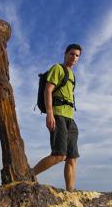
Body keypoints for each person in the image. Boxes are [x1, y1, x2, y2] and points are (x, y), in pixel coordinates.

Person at [32, 44, 82, 192]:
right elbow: (48, 90)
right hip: (58, 114)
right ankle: (29, 175)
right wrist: (50, 113)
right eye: (72, 54)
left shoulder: (72, 75)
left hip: (70, 118)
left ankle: (70, 193)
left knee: (72, 158)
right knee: (60, 155)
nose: (74, 57)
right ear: (65, 54)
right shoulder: (57, 68)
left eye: (77, 55)